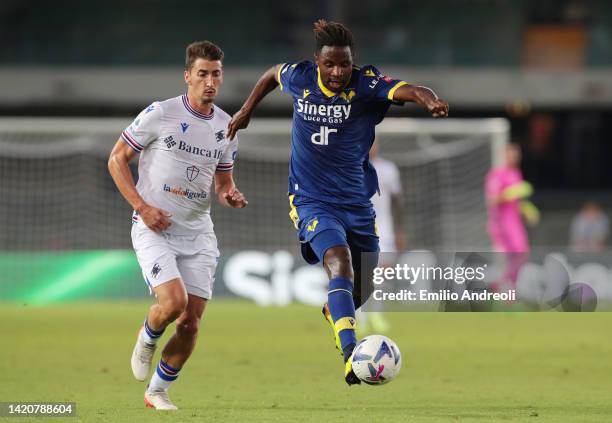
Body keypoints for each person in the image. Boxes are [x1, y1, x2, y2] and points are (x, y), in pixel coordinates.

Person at [227, 20, 448, 385]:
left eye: (344, 64)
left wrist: (428, 99)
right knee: (338, 262)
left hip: (357, 202)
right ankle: (350, 355)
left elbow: (408, 89)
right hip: (311, 199)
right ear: (317, 62)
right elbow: (271, 75)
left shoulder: (365, 84)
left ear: (352, 62)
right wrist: (248, 109)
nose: (337, 72)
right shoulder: (299, 77)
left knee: (366, 285)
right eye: (329, 64)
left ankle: (336, 310)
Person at [108, 41, 247, 410]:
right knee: (173, 303)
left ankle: (156, 391)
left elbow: (223, 184)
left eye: (216, 74)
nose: (209, 81)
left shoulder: (227, 127)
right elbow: (117, 159)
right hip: (155, 227)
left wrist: (230, 194)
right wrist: (142, 206)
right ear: (188, 76)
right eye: (202, 74)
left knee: (191, 324)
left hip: (198, 232)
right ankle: (148, 335)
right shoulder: (160, 113)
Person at [357, 139, 406, 334]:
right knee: (358, 274)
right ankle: (360, 317)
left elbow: (398, 201)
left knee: (381, 275)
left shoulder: (388, 169)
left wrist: (400, 230)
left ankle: (376, 314)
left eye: (373, 142)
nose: (371, 146)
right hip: (358, 228)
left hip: (384, 230)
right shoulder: (348, 165)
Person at [485, 143, 538, 290]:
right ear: (504, 155)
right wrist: (508, 194)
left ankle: (502, 286)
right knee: (514, 256)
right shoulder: (496, 174)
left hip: (515, 223)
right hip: (501, 223)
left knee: (522, 254)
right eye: (511, 155)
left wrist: (527, 210)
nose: (514, 158)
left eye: (516, 155)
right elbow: (492, 200)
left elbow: (517, 201)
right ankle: (505, 288)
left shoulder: (516, 173)